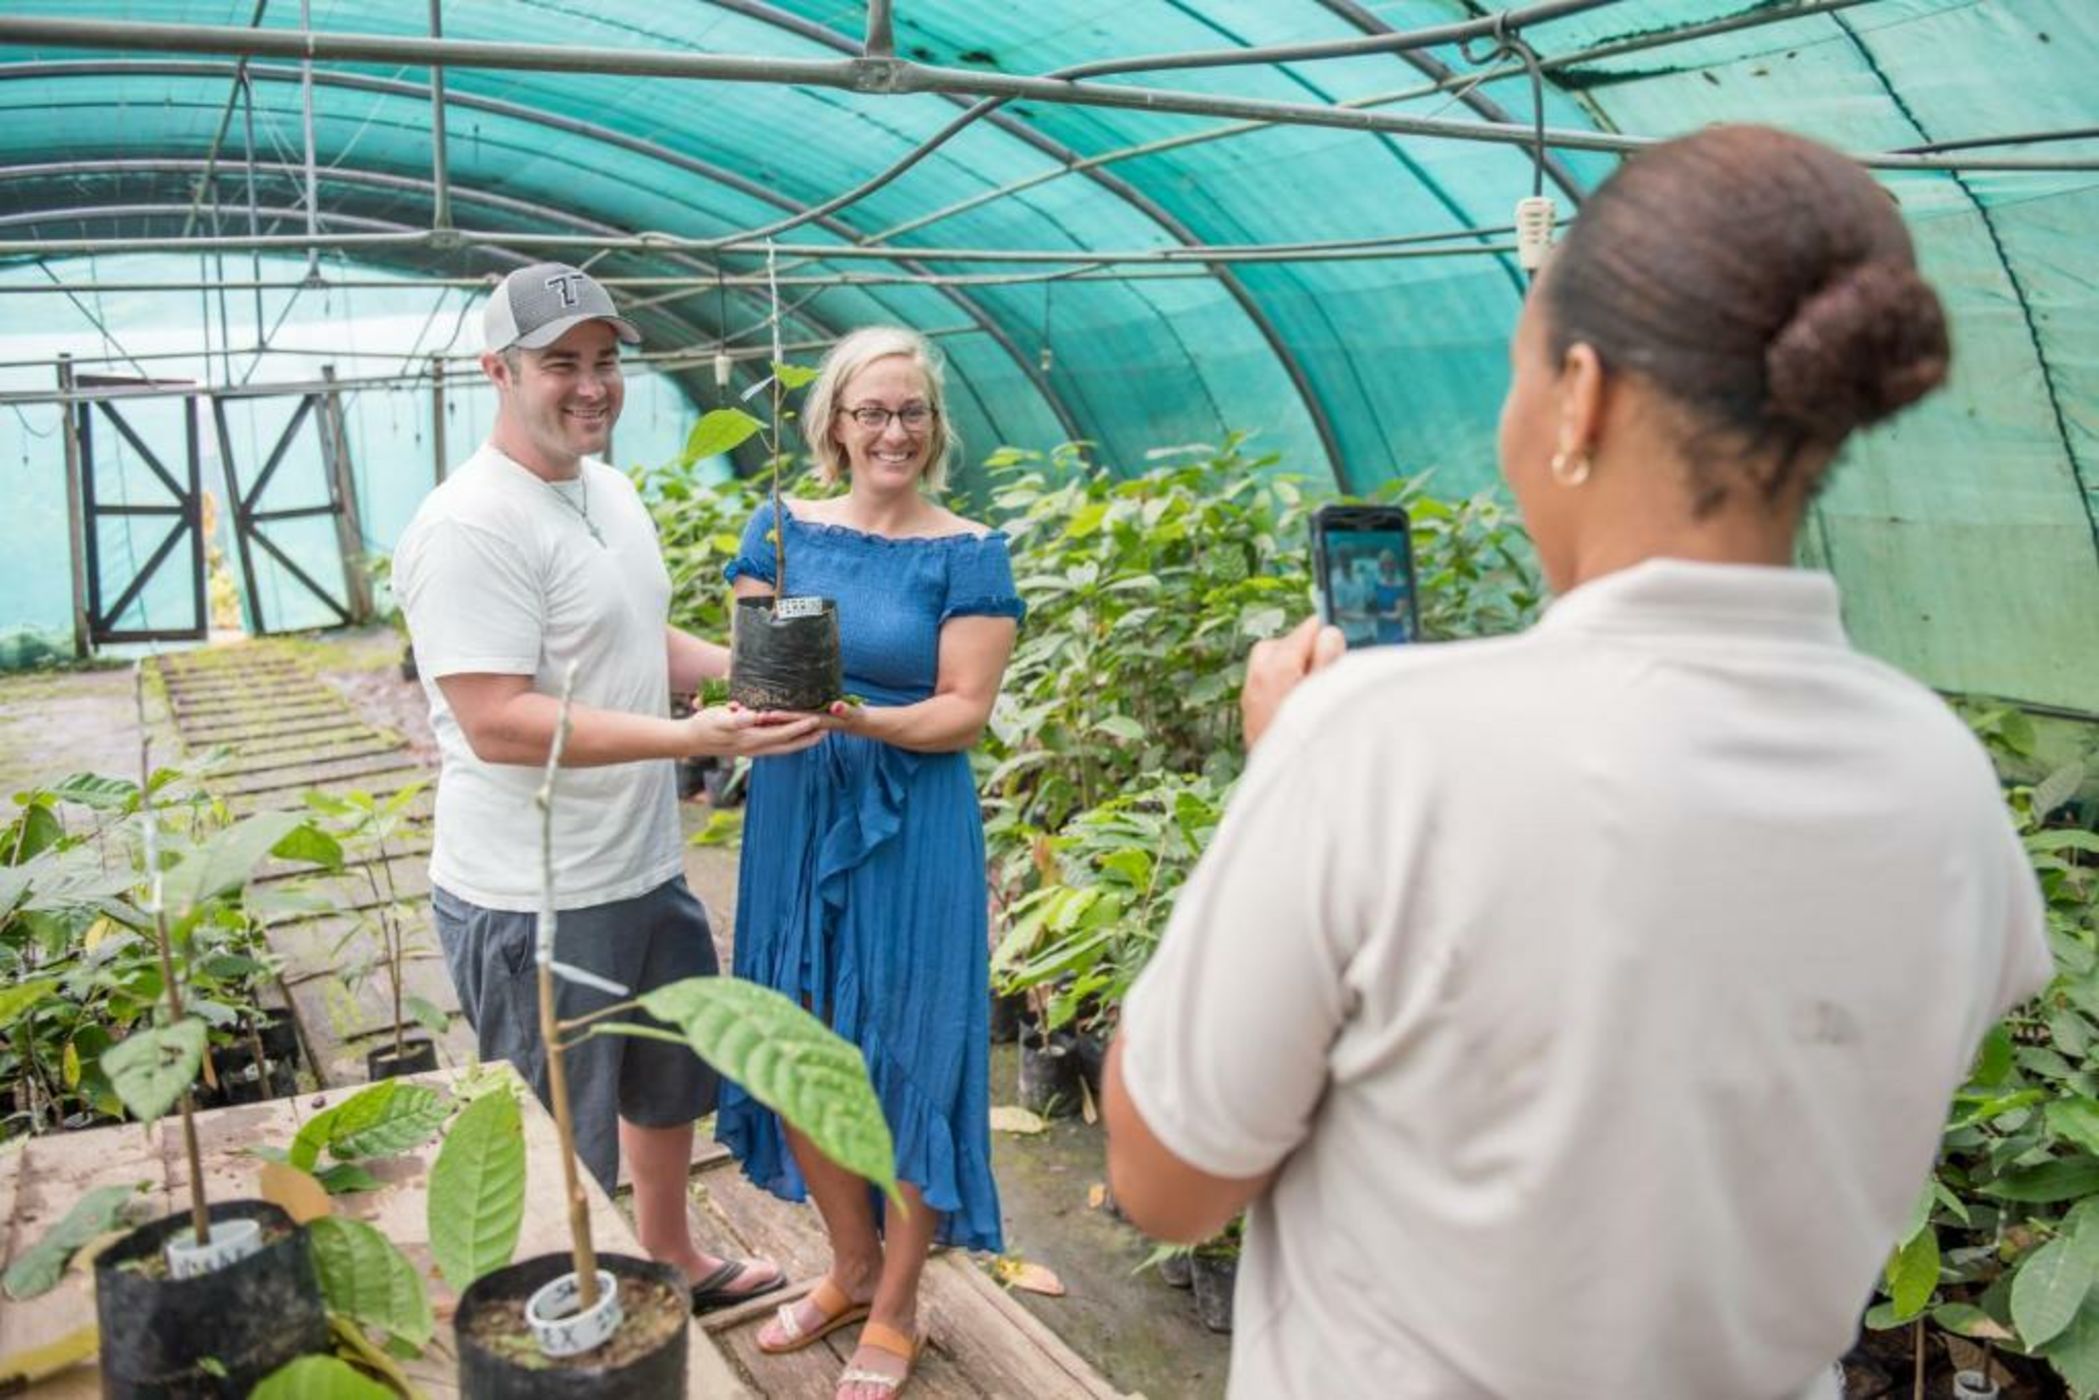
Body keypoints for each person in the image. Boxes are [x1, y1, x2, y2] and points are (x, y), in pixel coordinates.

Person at [1102, 126, 2052, 1399]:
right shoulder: (1940, 779)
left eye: (1515, 375)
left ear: (1580, 396)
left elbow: (1166, 1181)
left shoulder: (1377, 745)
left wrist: (1278, 777)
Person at [392, 262, 818, 1314]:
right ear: (498, 371)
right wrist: (684, 736)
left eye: (605, 360)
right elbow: (497, 720)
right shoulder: (470, 525)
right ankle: (555, 1313)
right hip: (532, 894)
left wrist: (749, 672)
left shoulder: (603, 487)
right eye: (560, 364)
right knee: (555, 1124)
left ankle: (667, 1254)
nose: (591, 385)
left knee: (667, 1079)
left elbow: (631, 637)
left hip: (637, 862)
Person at [717, 326, 1022, 1400]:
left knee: (904, 1054)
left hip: (910, 821)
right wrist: (774, 704)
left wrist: (865, 719)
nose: (891, 430)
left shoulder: (967, 550)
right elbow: (760, 673)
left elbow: (961, 711)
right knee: (795, 1036)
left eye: (911, 412)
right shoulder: (783, 532)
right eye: (870, 411)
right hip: (799, 807)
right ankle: (847, 1262)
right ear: (833, 426)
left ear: (934, 427)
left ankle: (897, 1300)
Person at [1368, 548, 1414, 643]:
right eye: (1384, 564)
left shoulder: (1400, 585)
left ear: (1394, 565)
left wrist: (1379, 614)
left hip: (1396, 633)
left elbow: (1399, 614)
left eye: (1390, 563)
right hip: (1380, 631)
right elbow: (1373, 604)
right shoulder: (1377, 584)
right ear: (1381, 566)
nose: (1387, 567)